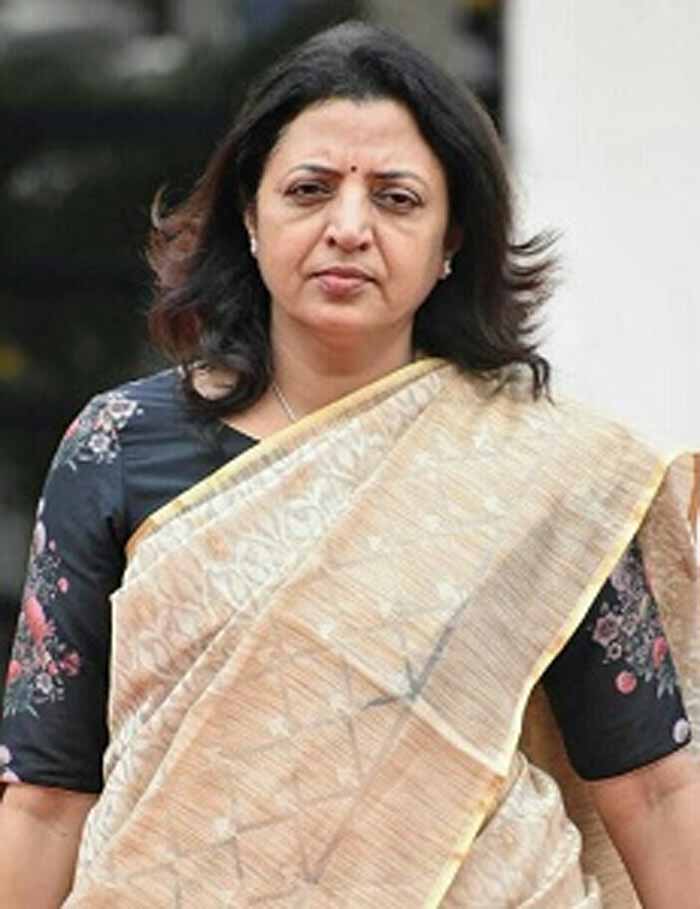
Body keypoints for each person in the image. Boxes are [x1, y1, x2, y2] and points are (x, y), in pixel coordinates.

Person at [0, 19, 698, 908]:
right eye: (310, 190)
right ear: (250, 216)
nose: (349, 227)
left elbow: (651, 784)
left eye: (397, 198)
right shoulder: (118, 448)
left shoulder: (546, 470)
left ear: (452, 240)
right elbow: (48, 797)